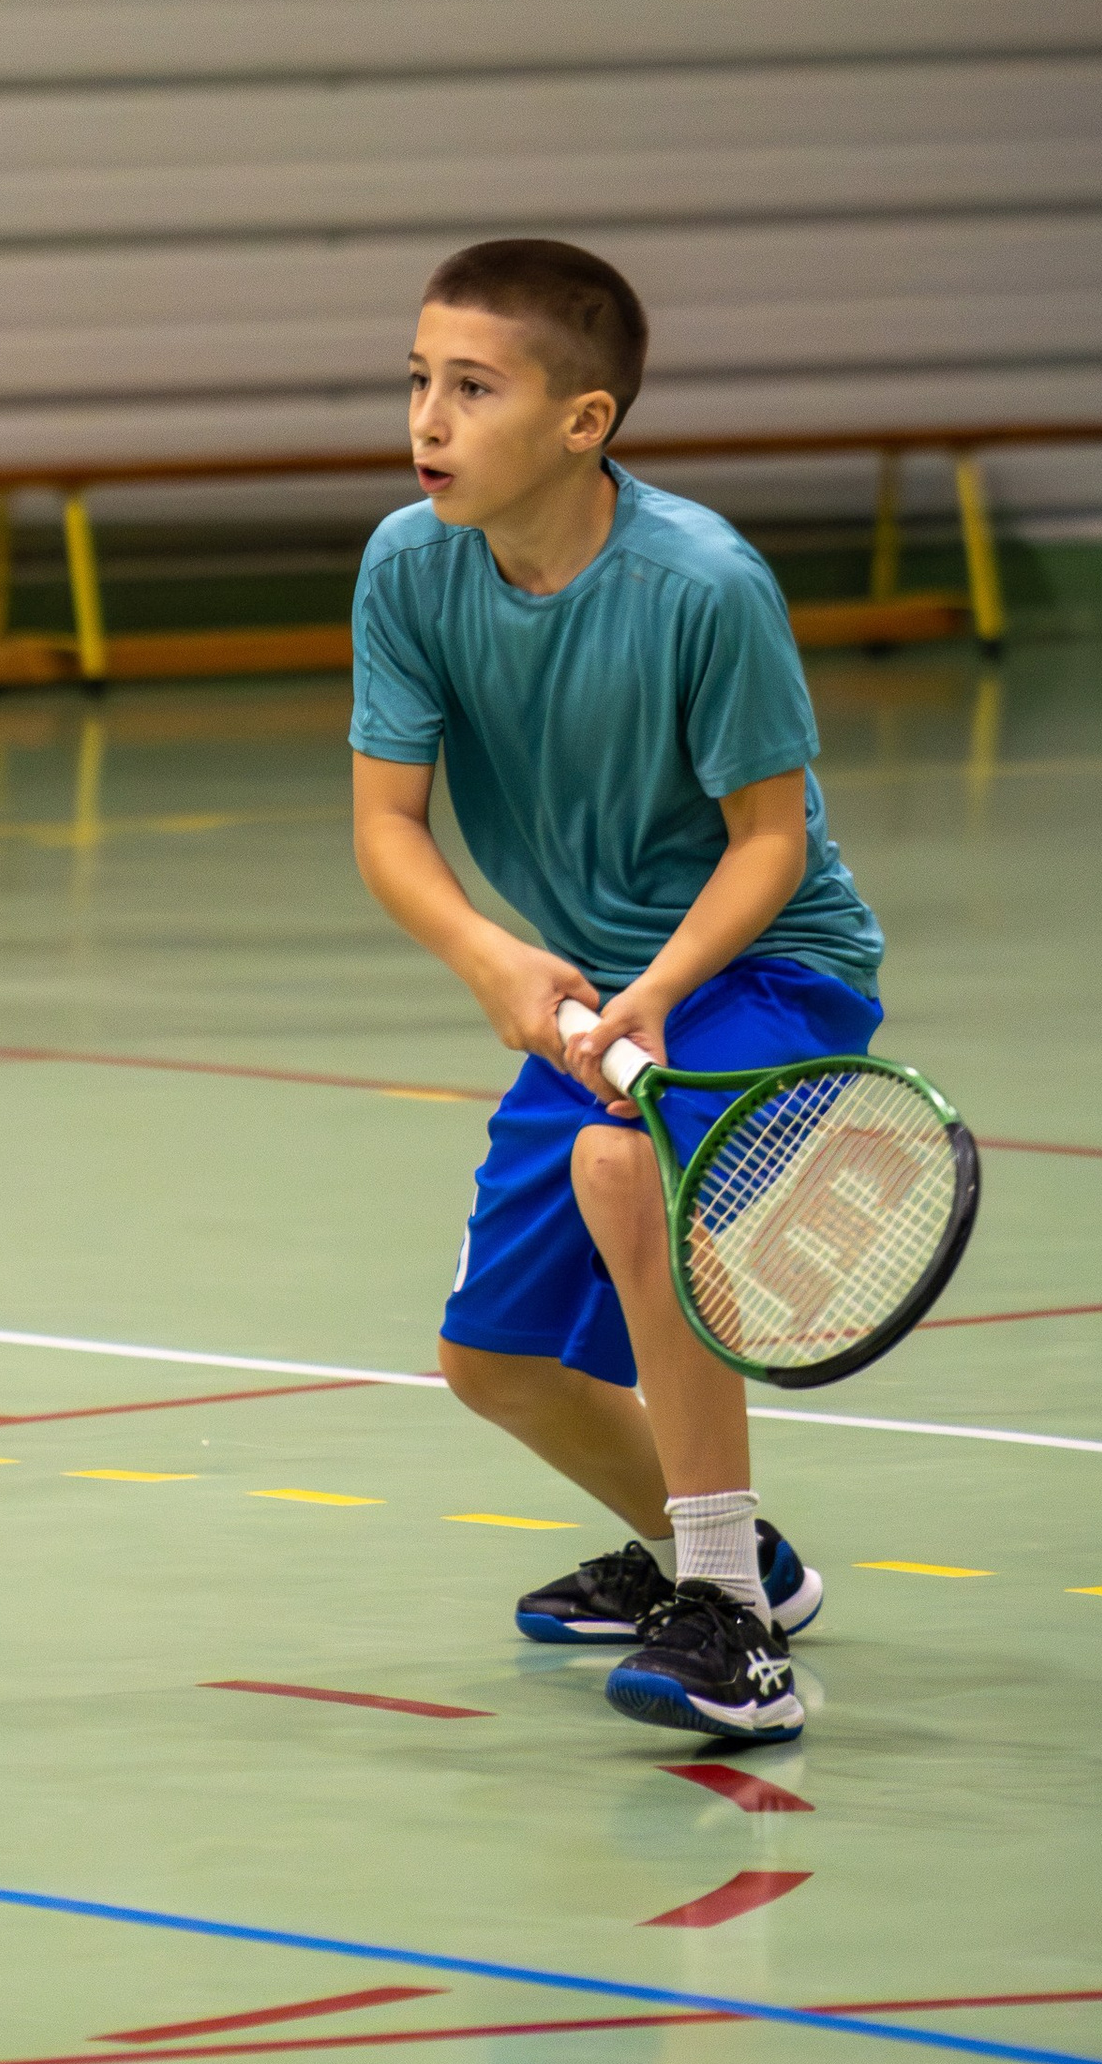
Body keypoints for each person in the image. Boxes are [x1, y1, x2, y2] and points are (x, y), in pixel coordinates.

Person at [350, 236, 886, 1743]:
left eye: (473, 387)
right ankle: (745, 1559)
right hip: (595, 987)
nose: (427, 420)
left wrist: (656, 985)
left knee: (624, 1170)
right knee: (493, 1362)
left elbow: (772, 843)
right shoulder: (410, 566)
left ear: (585, 422)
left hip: (764, 968)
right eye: (416, 382)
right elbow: (389, 827)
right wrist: (497, 958)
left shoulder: (702, 584)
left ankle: (725, 1617)